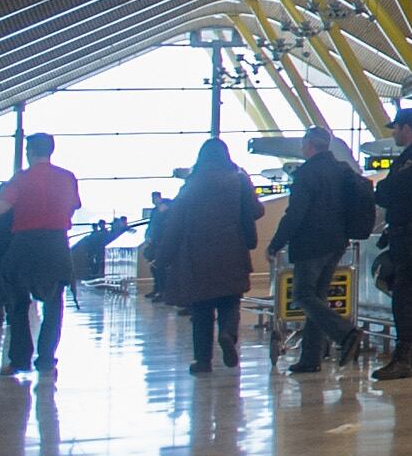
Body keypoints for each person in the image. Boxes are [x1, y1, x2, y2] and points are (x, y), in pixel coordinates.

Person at [151, 139, 260, 373]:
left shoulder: (192, 184)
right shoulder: (239, 178)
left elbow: (176, 222)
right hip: (233, 251)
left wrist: (162, 257)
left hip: (197, 255)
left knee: (201, 309)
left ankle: (203, 361)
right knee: (230, 302)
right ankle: (227, 334)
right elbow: (257, 210)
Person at [268, 126, 365, 374]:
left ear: (308, 145)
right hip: (336, 243)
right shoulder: (340, 169)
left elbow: (295, 214)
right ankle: (311, 358)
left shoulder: (307, 173)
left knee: (303, 295)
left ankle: (347, 333)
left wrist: (276, 243)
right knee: (317, 299)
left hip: (311, 244)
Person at [0, 133, 84, 374]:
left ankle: (20, 360)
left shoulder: (22, 178)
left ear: (29, 151)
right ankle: (46, 359)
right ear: (51, 151)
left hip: (25, 245)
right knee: (54, 304)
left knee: (19, 303)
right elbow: (74, 206)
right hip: (56, 245)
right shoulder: (67, 177)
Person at [369, 109, 412, 381]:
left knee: (406, 296)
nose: (394, 133)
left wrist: (382, 192)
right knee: (410, 295)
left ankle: (405, 356)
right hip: (408, 234)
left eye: (396, 128)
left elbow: (391, 190)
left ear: (407, 128)